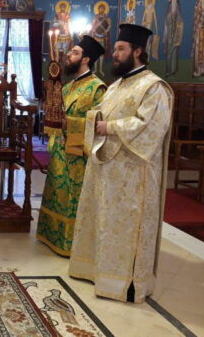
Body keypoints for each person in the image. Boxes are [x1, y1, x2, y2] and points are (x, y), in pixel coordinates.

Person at [69, 23, 174, 303]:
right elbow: (100, 114)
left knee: (126, 228)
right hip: (108, 169)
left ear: (137, 51)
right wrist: (95, 120)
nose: (114, 54)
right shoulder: (117, 85)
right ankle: (97, 271)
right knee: (104, 222)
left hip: (133, 175)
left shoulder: (153, 87)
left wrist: (110, 128)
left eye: (120, 49)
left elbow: (151, 126)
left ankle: (125, 283)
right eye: (115, 49)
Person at [36, 36, 106, 256]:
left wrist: (69, 122)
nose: (68, 55)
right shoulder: (67, 87)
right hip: (59, 150)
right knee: (55, 193)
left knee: (70, 198)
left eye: (74, 53)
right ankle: (50, 236)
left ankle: (69, 242)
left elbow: (99, 124)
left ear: (86, 59)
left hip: (77, 155)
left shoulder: (97, 88)